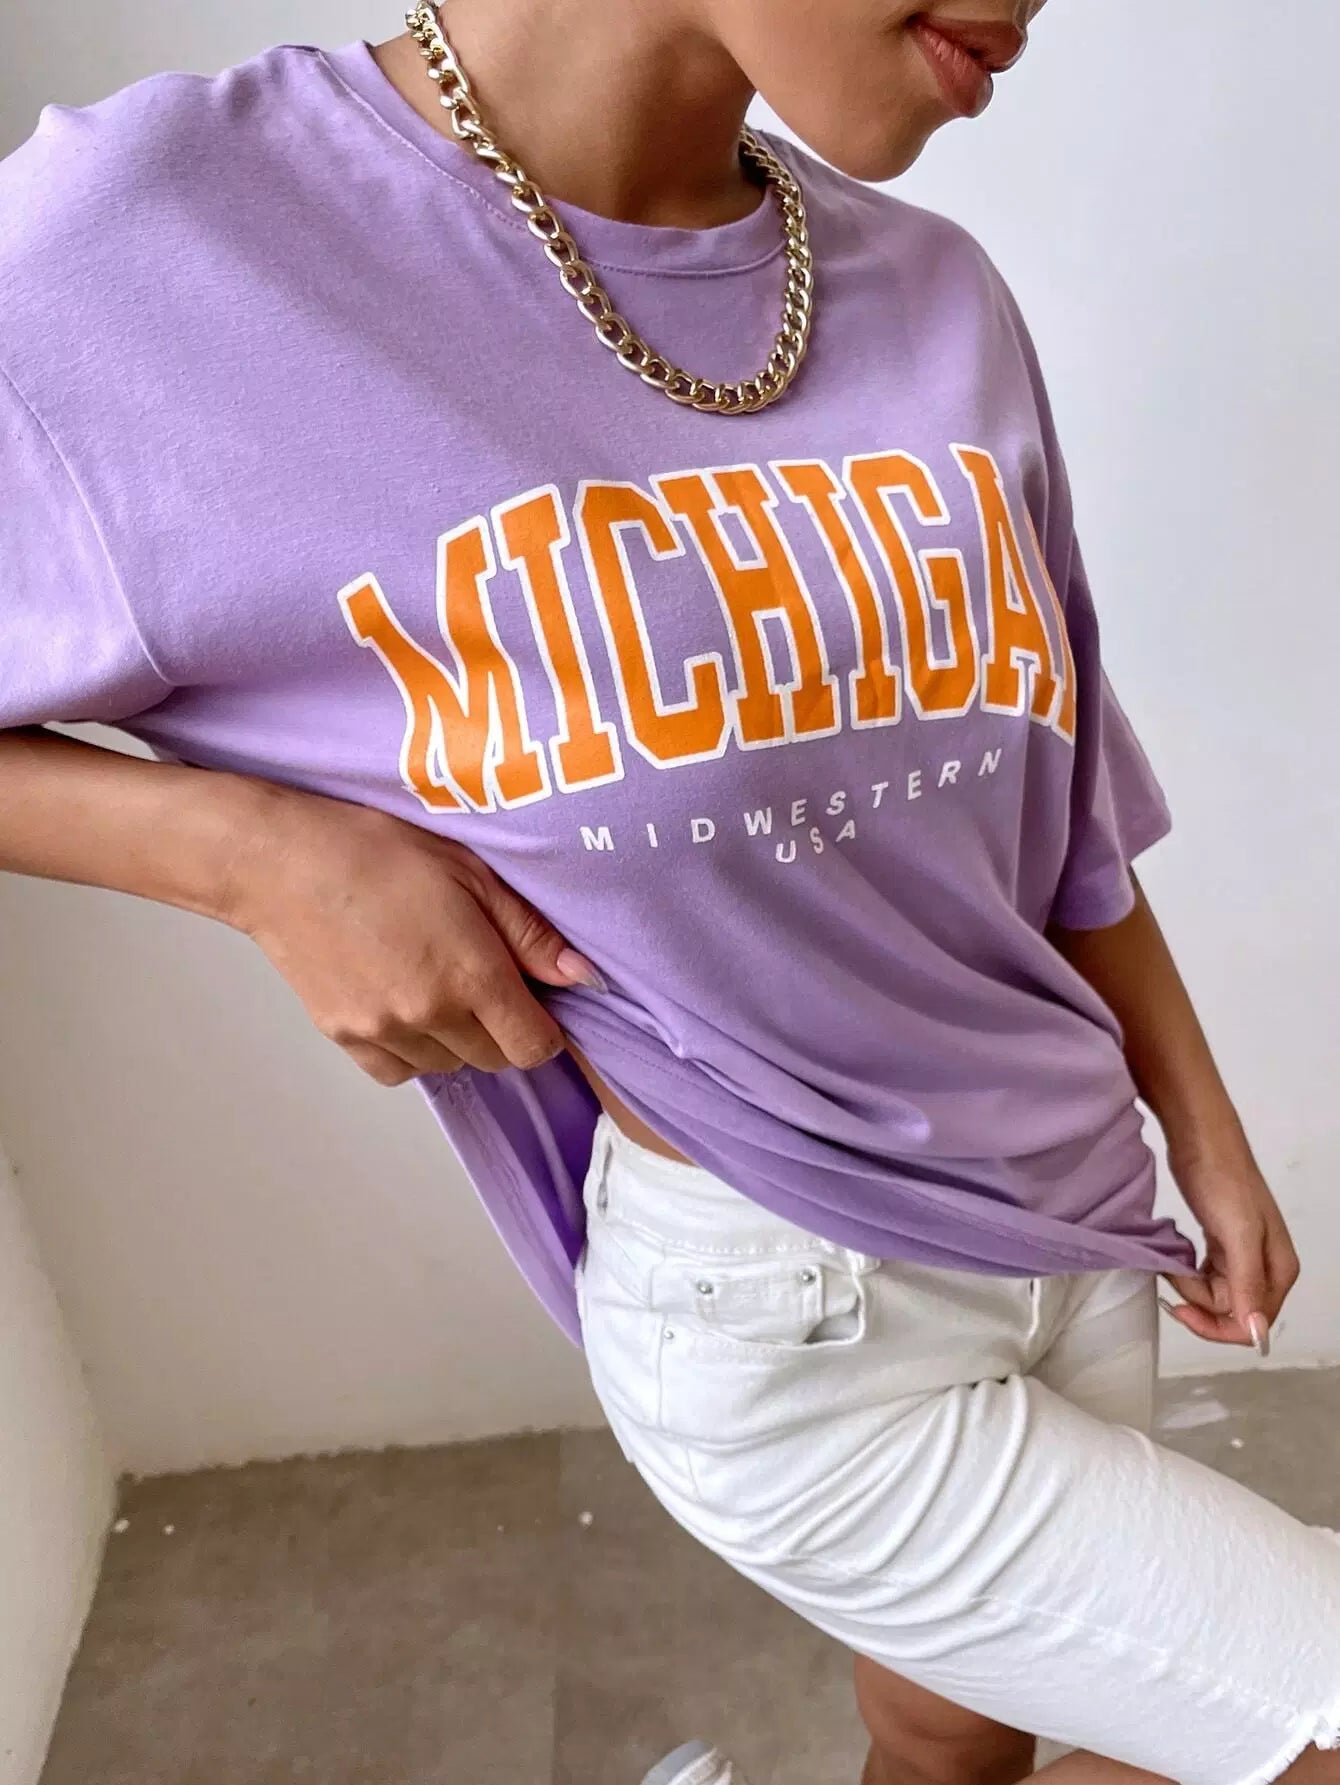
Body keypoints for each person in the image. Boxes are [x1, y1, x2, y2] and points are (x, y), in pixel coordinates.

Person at [1, 2, 1336, 1783]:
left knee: (958, 1733)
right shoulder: (173, 236)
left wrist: (1204, 1128)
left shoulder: (937, 295)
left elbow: (1059, 790)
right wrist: (254, 855)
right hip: (790, 1312)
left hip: (1072, 1211)